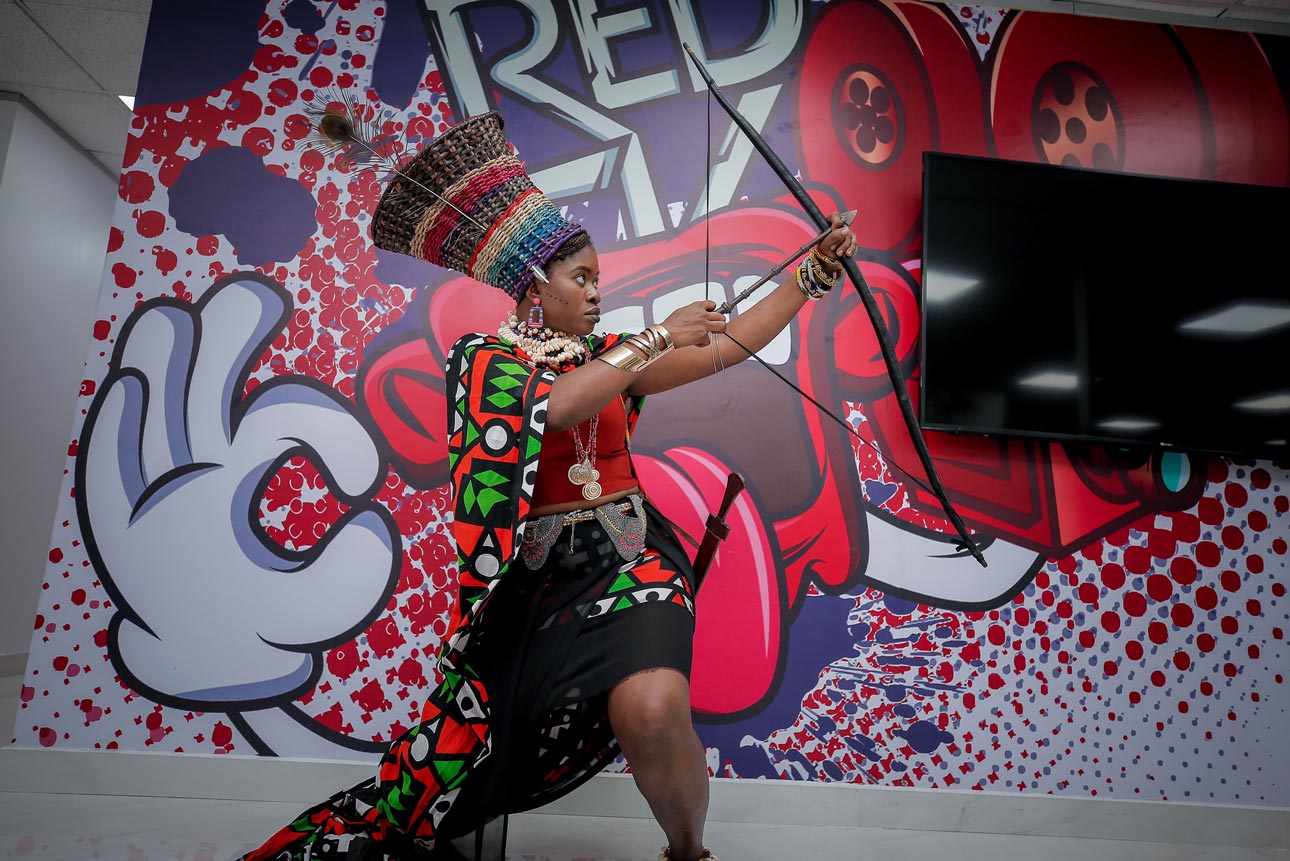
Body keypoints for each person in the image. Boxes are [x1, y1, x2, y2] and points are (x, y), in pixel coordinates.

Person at [241, 111, 856, 861]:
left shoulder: (612, 351)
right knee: (459, 758)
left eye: (597, 279)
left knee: (655, 708)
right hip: (534, 583)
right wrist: (656, 336)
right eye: (581, 278)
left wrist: (808, 274)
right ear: (536, 287)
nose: (596, 292)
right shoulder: (484, 359)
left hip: (632, 560)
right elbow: (556, 406)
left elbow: (727, 346)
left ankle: (688, 852)